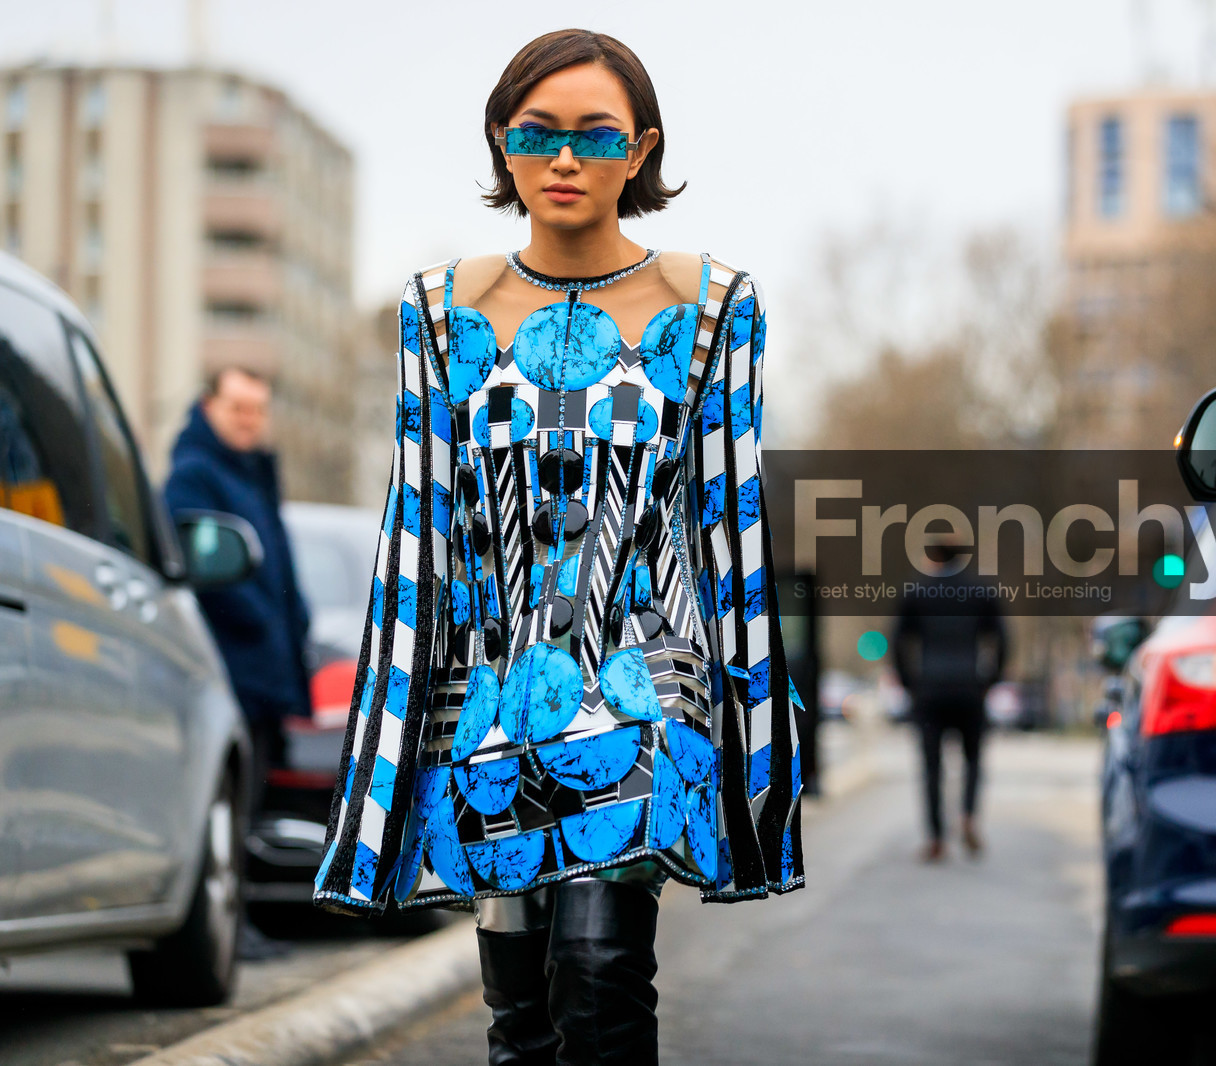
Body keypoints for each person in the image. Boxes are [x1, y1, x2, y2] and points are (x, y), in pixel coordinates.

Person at [310, 29, 805, 1065]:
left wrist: (755, 746)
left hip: (643, 684)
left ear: (641, 150)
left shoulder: (713, 305)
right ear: (503, 141)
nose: (565, 158)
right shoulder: (439, 311)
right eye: (537, 133)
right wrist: (391, 745)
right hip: (487, 692)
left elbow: (730, 520)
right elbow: (418, 526)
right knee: (519, 1010)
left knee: (598, 967)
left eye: (596, 135)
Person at [164, 365, 311, 959]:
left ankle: (238, 922)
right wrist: (262, 622)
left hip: (262, 669)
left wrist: (294, 624)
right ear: (209, 407)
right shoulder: (195, 474)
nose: (249, 421)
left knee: (248, 806)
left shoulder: (252, 473)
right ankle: (225, 927)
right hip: (229, 669)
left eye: (257, 409)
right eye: (238, 408)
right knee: (227, 806)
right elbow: (204, 568)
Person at [893, 538, 1008, 863]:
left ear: (933, 557)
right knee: (973, 759)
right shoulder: (980, 590)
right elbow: (1001, 638)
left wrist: (909, 683)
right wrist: (990, 680)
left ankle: (935, 838)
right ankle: (968, 816)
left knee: (931, 766)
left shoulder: (917, 591)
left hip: (929, 690)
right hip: (970, 688)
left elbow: (899, 641)